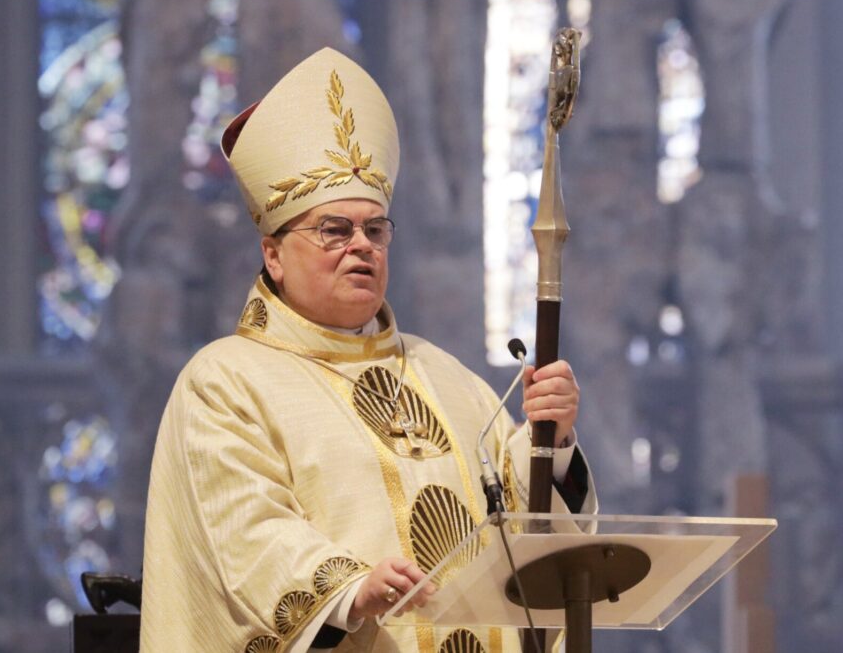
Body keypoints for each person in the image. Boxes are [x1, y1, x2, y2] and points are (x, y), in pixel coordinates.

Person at [140, 48, 597, 652]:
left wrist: (552, 444)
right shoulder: (226, 380)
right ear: (273, 256)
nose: (362, 246)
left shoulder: (446, 376)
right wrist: (349, 591)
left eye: (375, 229)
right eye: (334, 229)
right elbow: (242, 531)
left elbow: (525, 535)